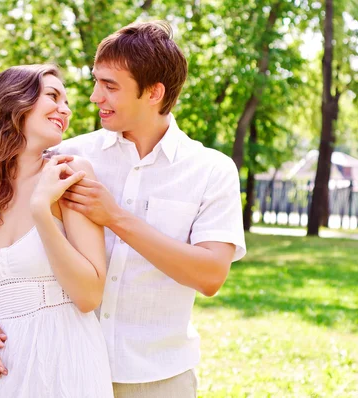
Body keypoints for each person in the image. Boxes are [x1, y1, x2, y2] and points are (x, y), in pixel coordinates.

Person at [55, 21, 247, 397]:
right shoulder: (68, 156)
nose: (95, 97)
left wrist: (114, 217)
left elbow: (210, 275)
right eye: (96, 81)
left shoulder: (211, 170)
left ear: (154, 92)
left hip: (160, 380)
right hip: (68, 370)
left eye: (110, 86)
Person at [0, 64, 113, 397]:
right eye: (53, 96)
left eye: (66, 101)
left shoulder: (70, 174)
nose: (66, 109)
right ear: (14, 101)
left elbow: (89, 296)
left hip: (66, 364)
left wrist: (41, 212)